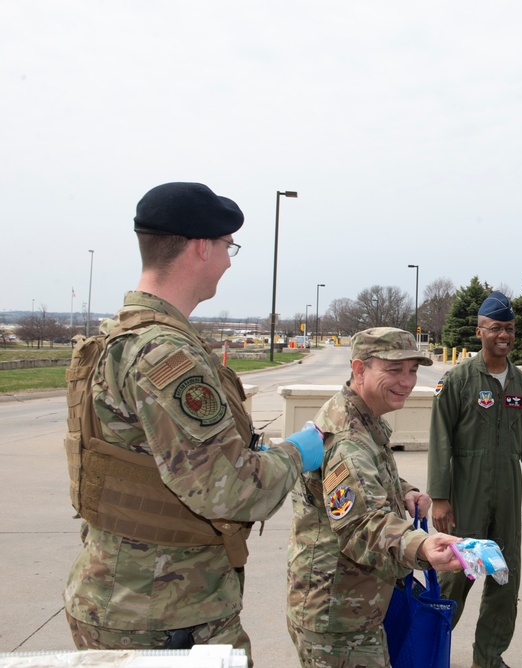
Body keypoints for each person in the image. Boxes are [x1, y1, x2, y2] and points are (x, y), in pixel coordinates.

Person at [63, 182, 325, 664]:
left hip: (127, 597)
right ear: (202, 247)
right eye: (229, 247)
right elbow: (231, 491)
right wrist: (297, 452)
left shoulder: (117, 336)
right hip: (163, 614)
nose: (229, 260)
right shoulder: (165, 354)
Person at [286, 327, 463, 667]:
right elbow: (362, 525)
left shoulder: (359, 415)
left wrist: (404, 490)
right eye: (394, 370)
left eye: (412, 370)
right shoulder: (348, 439)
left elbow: (367, 477)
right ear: (359, 370)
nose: (407, 381)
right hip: (339, 615)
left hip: (354, 604)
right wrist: (423, 547)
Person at [428, 291, 522, 668]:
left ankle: (489, 656)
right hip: (467, 492)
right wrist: (440, 497)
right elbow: (440, 439)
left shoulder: (521, 384)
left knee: (503, 575)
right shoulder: (458, 380)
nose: (504, 335)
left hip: (508, 491)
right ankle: (430, 652)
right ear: (479, 332)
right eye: (496, 328)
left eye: (509, 329)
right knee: (456, 576)